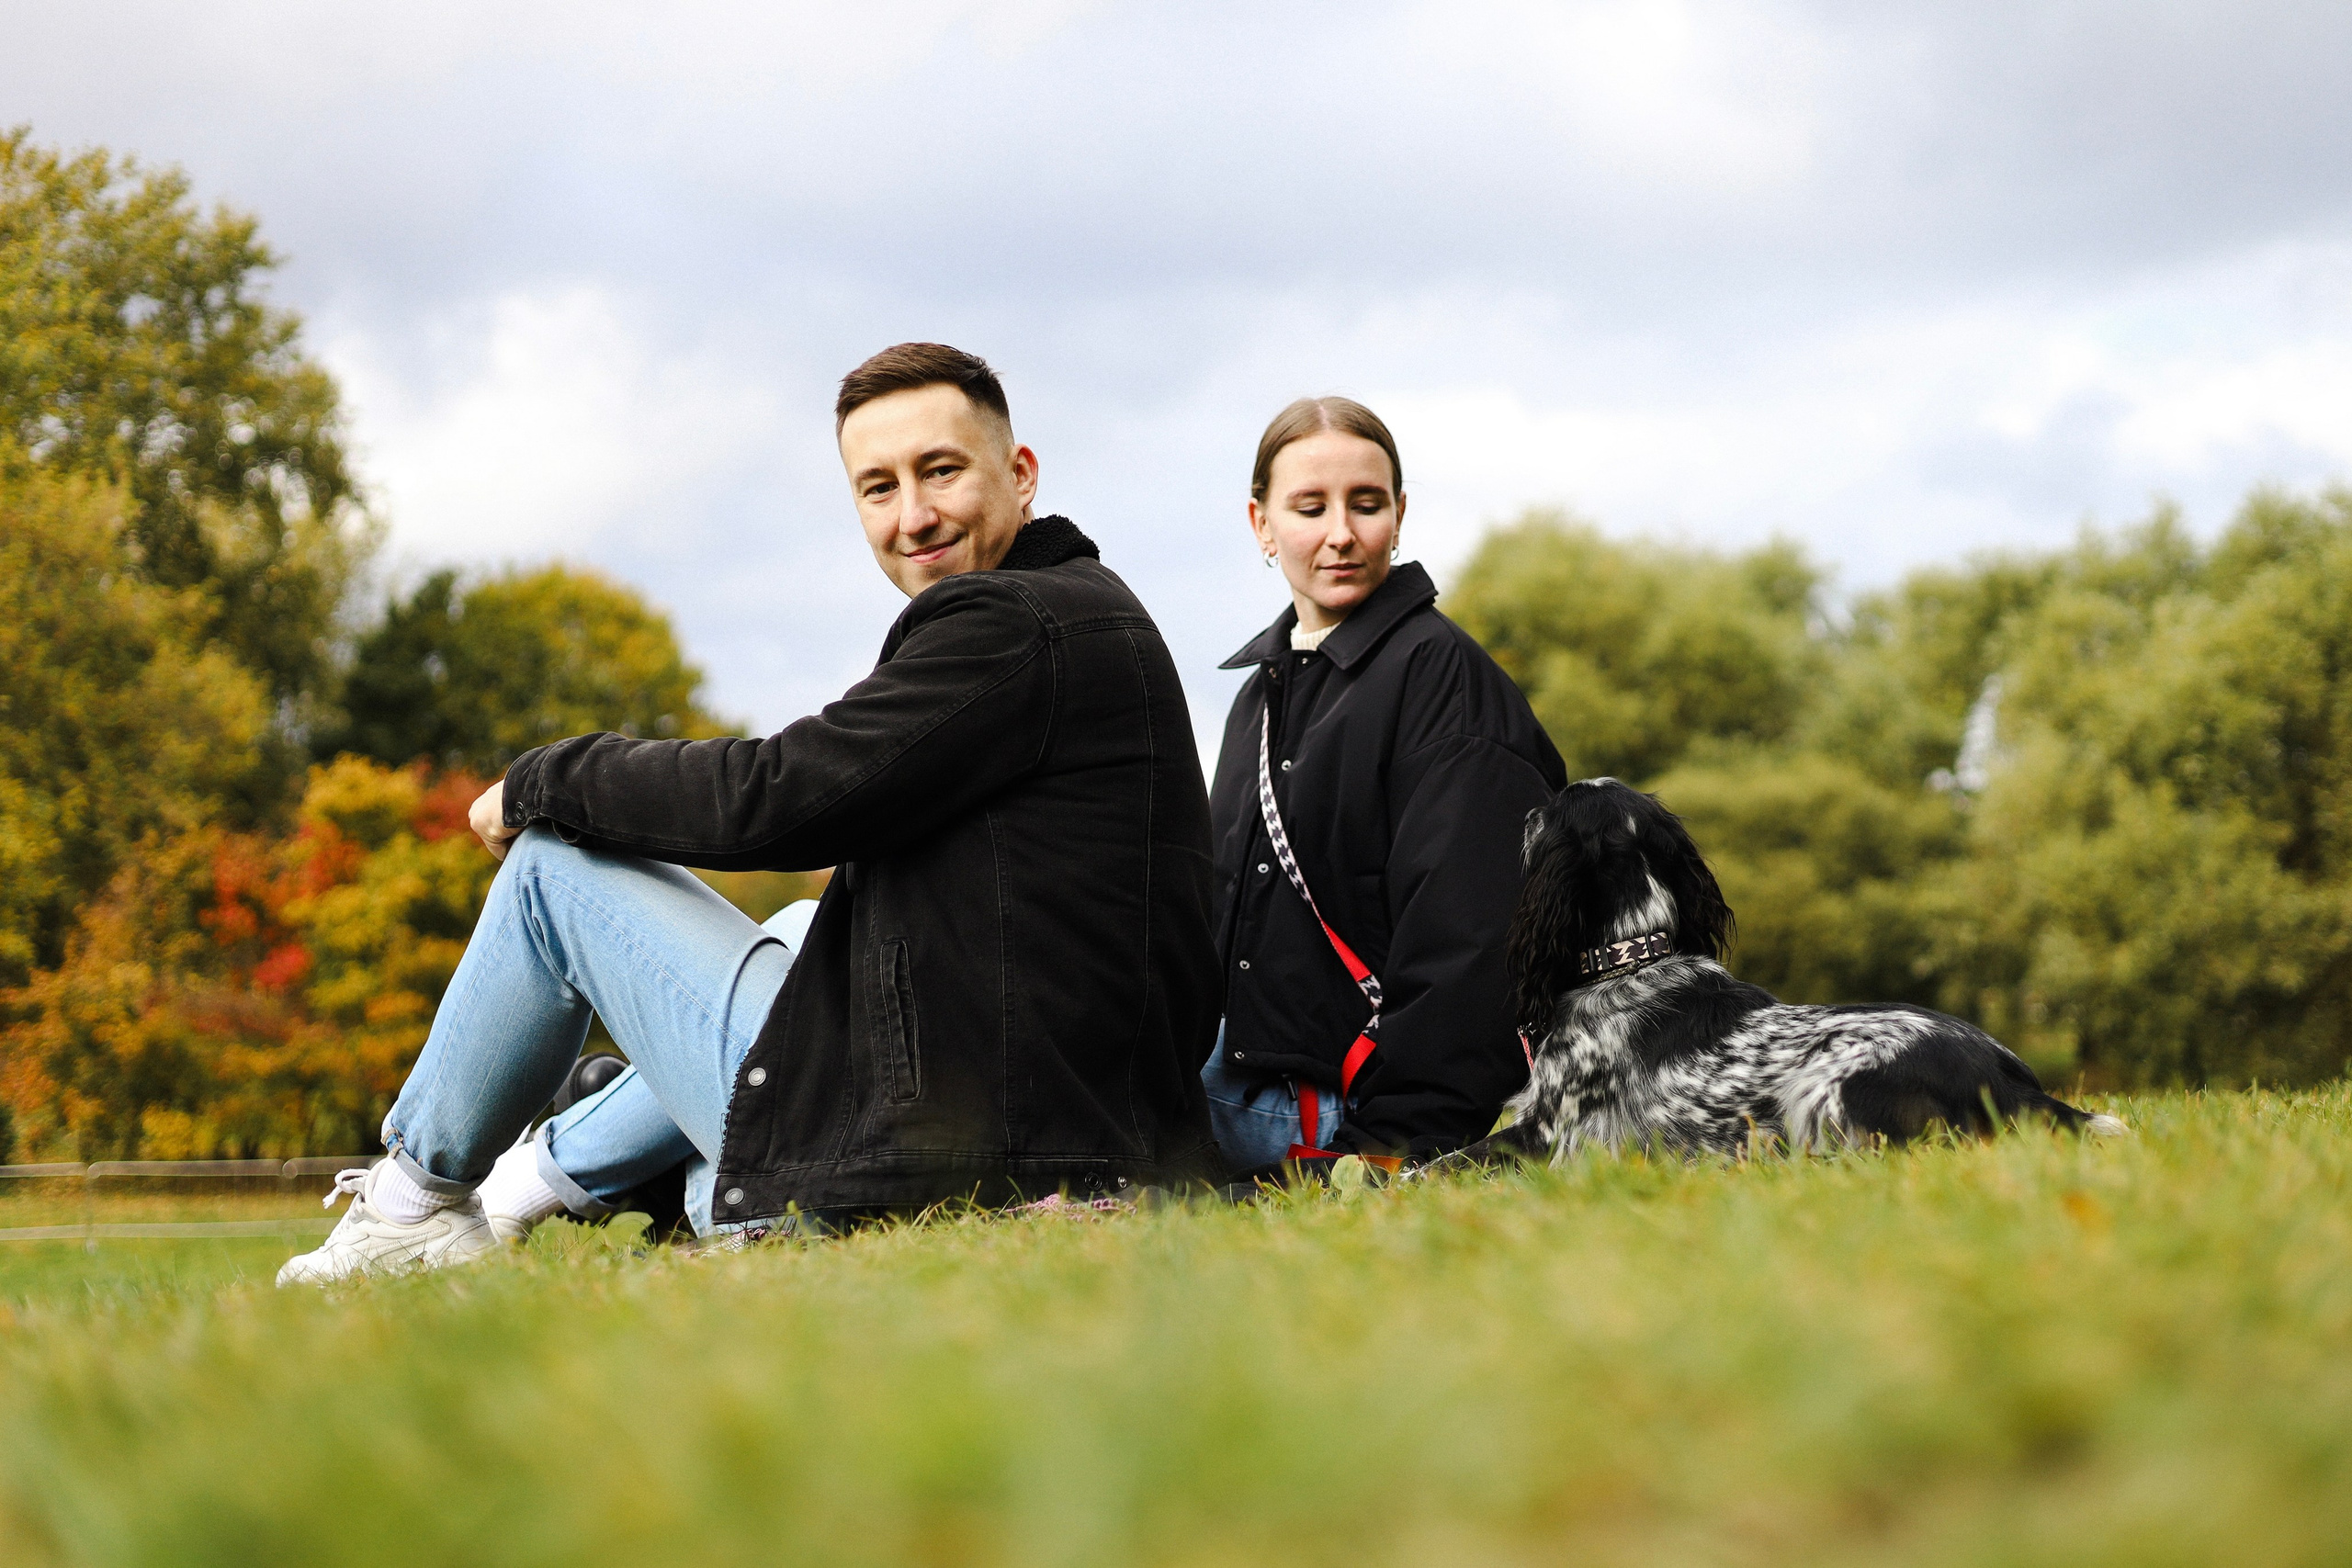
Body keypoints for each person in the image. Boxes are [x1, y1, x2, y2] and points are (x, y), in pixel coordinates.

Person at [280, 343, 1224, 1283]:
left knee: (549, 875)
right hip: (1033, 1122)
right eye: (878, 488)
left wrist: (544, 780)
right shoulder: (1078, 615)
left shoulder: (1015, 626)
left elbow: (781, 797)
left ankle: (413, 1208)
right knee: (803, 927)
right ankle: (537, 1184)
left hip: (975, 1155)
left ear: (1019, 476)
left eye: (941, 472)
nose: (914, 515)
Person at [1204, 397, 1566, 1172]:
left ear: (1398, 515)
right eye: (1310, 507)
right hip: (1248, 1087)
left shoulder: (1444, 679)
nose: (1341, 533)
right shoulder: (1255, 701)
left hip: (1361, 1118)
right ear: (1261, 524)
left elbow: (1472, 939)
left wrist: (1391, 1151)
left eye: (1366, 504)